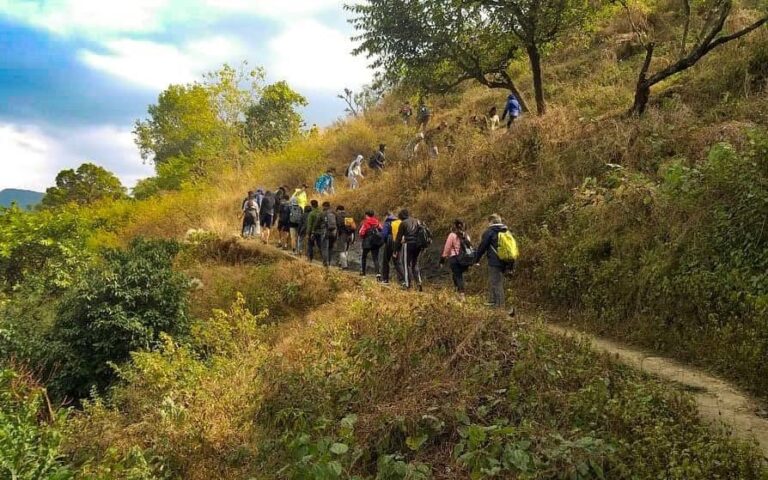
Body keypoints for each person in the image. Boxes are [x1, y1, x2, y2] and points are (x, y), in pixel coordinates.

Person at [474, 213, 516, 313]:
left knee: (496, 282)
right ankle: (492, 301)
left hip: (495, 261)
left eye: (489, 222)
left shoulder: (490, 232)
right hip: (507, 260)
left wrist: (476, 259)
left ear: (491, 222)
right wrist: (511, 265)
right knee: (495, 281)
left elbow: (482, 247)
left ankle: (500, 307)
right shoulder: (506, 231)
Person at [440, 219, 473, 300]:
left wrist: (442, 259)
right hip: (464, 259)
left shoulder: (452, 235)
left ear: (455, 226)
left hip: (455, 258)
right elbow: (470, 248)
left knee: (457, 276)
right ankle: (458, 293)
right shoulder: (466, 236)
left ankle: (461, 294)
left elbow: (447, 248)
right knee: (457, 275)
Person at [395, 209, 426, 291]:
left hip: (408, 244)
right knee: (415, 264)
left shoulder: (403, 223)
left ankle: (408, 285)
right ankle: (419, 283)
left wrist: (396, 249)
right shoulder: (417, 221)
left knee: (406, 264)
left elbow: (398, 238)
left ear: (401, 216)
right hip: (418, 245)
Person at [381, 211, 404, 285]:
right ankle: (403, 280)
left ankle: (385, 279)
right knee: (397, 261)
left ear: (386, 216)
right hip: (399, 242)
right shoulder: (400, 222)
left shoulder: (388, 223)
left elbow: (384, 234)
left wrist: (385, 241)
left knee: (386, 260)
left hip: (390, 241)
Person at [359, 210, 383, 279]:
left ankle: (363, 272)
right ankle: (378, 273)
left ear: (366, 215)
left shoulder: (365, 222)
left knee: (364, 257)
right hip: (375, 242)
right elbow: (381, 229)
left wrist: (363, 236)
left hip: (367, 242)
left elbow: (361, 232)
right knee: (375, 258)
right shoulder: (376, 221)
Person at [315, 201, 338, 267]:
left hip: (325, 232)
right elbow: (338, 222)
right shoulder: (334, 213)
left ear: (324, 206)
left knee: (324, 248)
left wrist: (315, 229)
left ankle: (325, 262)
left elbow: (317, 223)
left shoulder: (322, 213)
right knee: (330, 248)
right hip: (333, 233)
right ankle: (330, 262)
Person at [335, 205, 356, 270]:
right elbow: (353, 227)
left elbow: (338, 226)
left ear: (338, 210)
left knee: (341, 250)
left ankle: (344, 266)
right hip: (349, 235)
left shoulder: (339, 216)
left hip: (342, 235)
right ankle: (342, 263)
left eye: (337, 211)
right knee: (346, 250)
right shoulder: (348, 215)